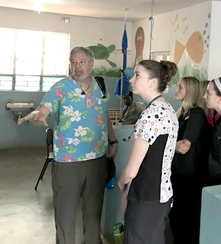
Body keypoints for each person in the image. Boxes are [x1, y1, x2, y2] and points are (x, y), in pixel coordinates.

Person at [19, 46, 118, 244]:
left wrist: (113, 139)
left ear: (91, 64)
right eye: (73, 62)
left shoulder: (101, 86)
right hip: (68, 161)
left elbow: (103, 113)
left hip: (97, 159)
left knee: (93, 213)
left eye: (81, 62)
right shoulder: (60, 88)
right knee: (65, 213)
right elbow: (43, 111)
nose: (77, 66)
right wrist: (37, 117)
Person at [118, 60, 178, 244]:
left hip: (145, 197)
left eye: (137, 75)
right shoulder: (168, 109)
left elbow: (131, 171)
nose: (132, 79)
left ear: (153, 82)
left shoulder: (150, 115)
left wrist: (122, 186)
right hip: (162, 196)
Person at [169, 77, 211, 244]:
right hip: (180, 175)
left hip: (189, 179)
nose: (176, 89)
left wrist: (168, 145)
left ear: (191, 92)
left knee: (186, 222)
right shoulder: (182, 113)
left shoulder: (196, 115)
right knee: (178, 220)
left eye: (180, 87)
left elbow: (184, 146)